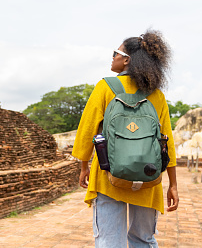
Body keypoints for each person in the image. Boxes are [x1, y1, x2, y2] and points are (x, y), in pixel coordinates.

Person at [72, 30, 179, 248]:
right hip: (148, 177)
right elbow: (167, 142)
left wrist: (84, 166)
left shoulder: (105, 87)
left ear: (127, 59)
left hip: (108, 174)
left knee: (109, 242)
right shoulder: (156, 95)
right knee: (144, 241)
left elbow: (87, 130)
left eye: (116, 53)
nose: (113, 57)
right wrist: (173, 184)